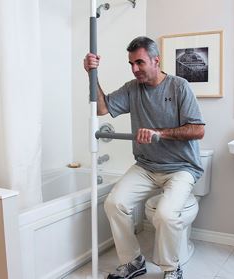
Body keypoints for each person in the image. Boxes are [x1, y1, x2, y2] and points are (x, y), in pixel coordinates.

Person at [83, 36, 205, 279]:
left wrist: (159, 133)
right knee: (114, 203)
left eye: (139, 63)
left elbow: (198, 129)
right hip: (146, 166)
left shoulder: (179, 86)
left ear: (156, 60)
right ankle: (133, 262)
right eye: (131, 64)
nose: (135, 69)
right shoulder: (132, 89)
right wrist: (92, 74)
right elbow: (102, 108)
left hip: (180, 168)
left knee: (165, 214)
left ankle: (171, 268)